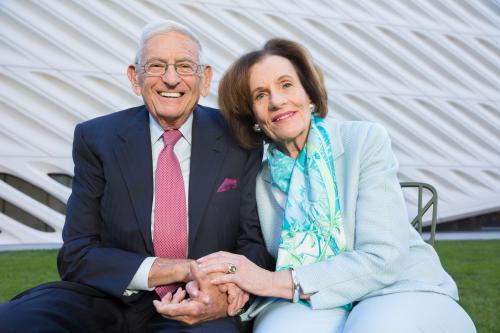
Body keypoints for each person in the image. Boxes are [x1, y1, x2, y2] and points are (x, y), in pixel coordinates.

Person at [0, 20, 273, 333]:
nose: (171, 79)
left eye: (185, 65)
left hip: (199, 303)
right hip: (110, 297)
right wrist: (176, 269)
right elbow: (77, 255)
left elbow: (252, 244)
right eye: (156, 65)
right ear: (135, 77)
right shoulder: (96, 138)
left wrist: (223, 291)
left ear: (205, 78)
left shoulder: (240, 140)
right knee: (17, 321)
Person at [190, 39, 477, 332]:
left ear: (309, 93)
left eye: (286, 84)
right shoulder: (261, 181)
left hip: (397, 287)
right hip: (313, 299)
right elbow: (254, 252)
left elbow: (385, 257)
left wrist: (272, 282)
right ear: (252, 116)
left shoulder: (363, 141)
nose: (276, 101)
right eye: (261, 95)